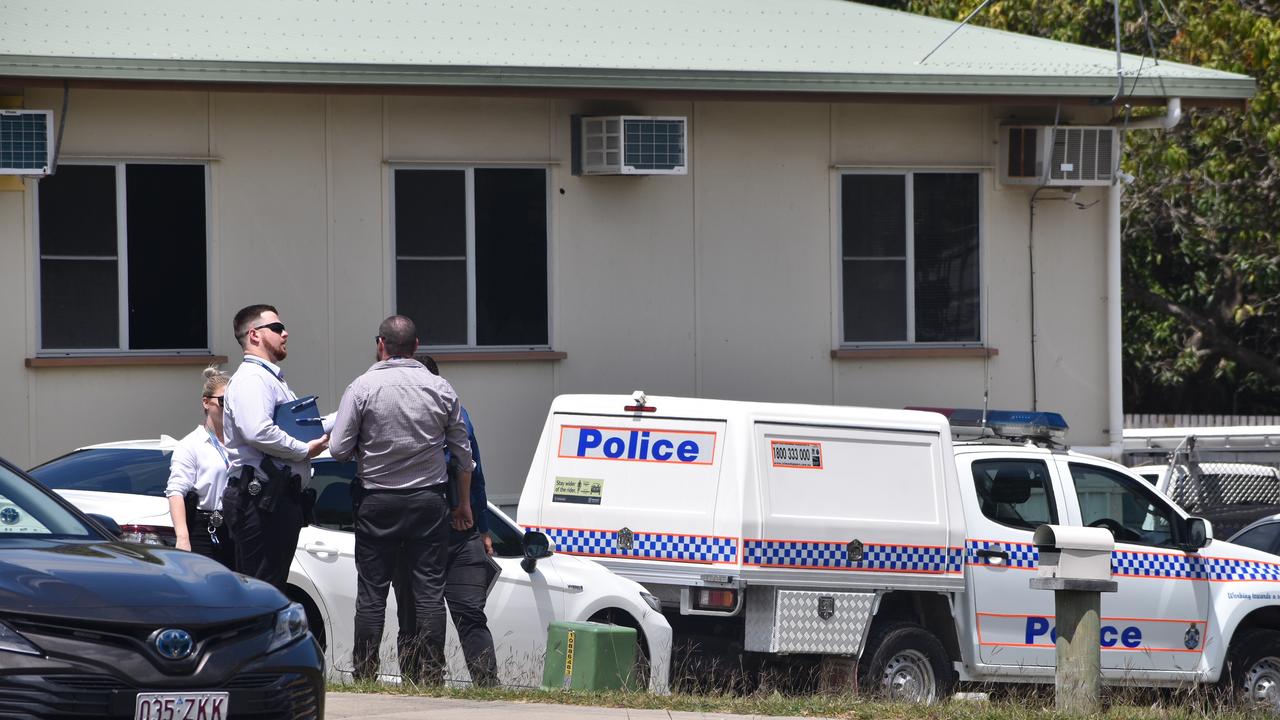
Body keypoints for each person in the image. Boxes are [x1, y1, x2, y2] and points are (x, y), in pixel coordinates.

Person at [329, 315, 474, 684]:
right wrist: (464, 504)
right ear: (417, 345)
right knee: (428, 590)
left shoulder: (362, 387)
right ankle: (430, 674)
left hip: (377, 500)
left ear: (381, 344)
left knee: (373, 591)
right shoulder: (440, 387)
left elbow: (339, 449)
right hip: (428, 500)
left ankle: (365, 673)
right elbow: (462, 453)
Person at [394, 355, 498, 687]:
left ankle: (486, 686)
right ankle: (421, 687)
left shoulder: (457, 417)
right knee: (415, 619)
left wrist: (483, 529)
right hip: (417, 535)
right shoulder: (396, 419)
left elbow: (474, 474)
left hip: (459, 534)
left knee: (469, 615)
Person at [221, 304, 329, 589]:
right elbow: (257, 431)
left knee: (269, 588)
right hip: (261, 500)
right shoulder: (253, 378)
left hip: (274, 499)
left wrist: (349, 415)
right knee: (261, 590)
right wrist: (304, 451)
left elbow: (300, 427)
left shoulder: (268, 378)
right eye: (278, 328)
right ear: (255, 335)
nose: (286, 333)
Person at [165, 366, 236, 567]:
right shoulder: (192, 444)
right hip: (205, 529)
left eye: (233, 402)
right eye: (223, 402)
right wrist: (182, 537)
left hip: (238, 527)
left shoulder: (241, 442)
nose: (229, 408)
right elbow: (175, 491)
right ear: (206, 402)